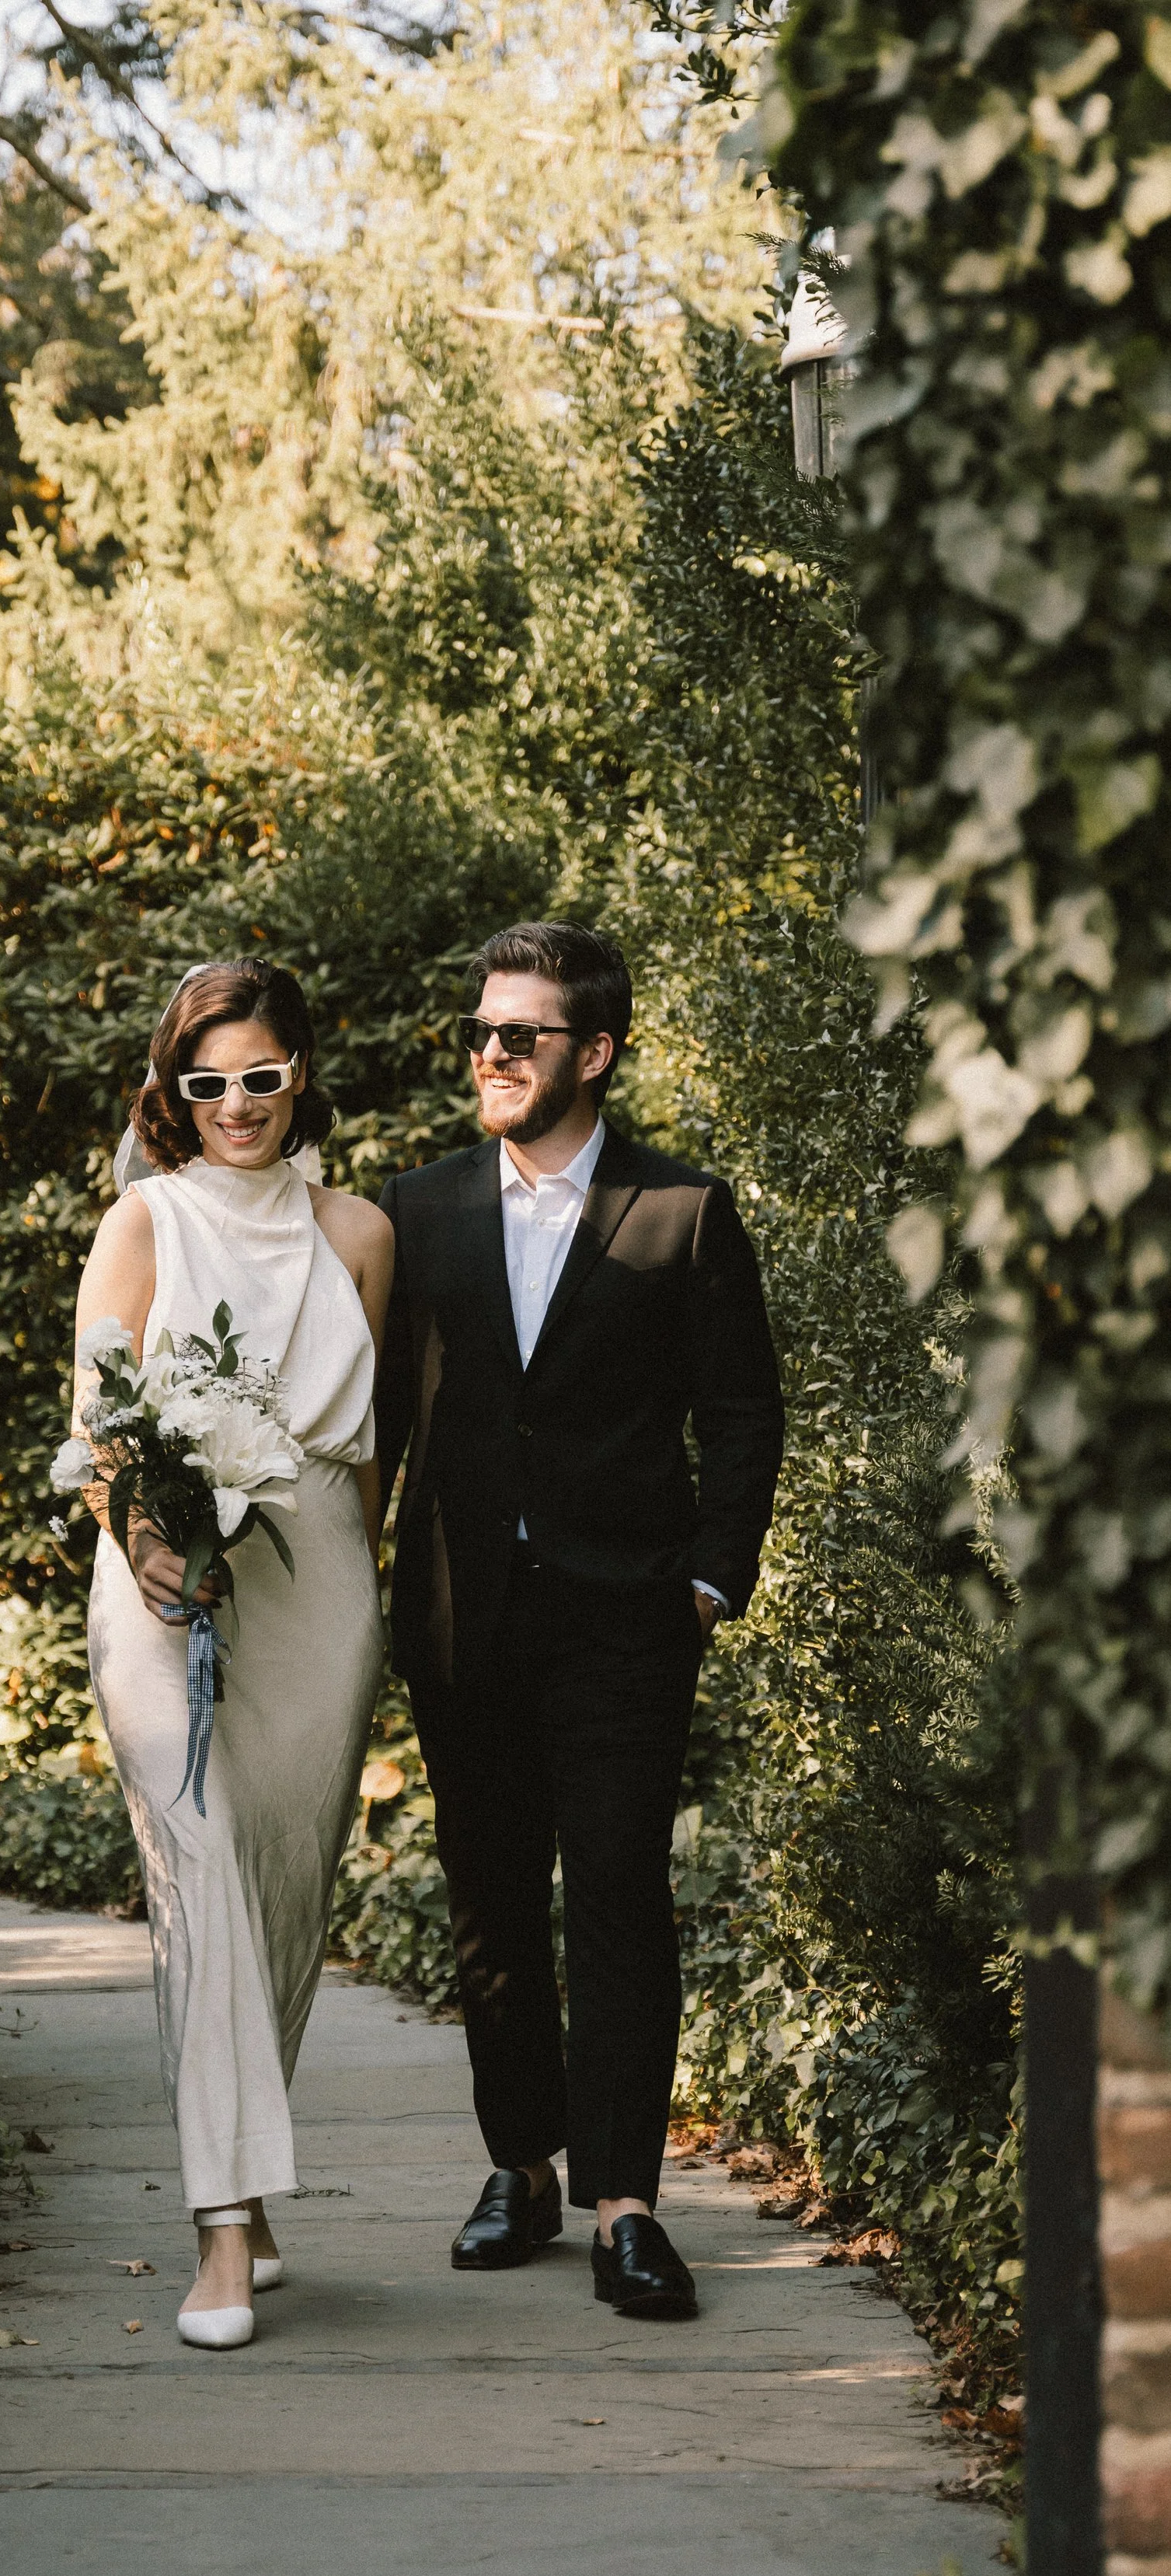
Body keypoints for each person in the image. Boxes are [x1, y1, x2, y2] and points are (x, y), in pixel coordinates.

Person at [375, 922, 783, 2320]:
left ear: (591, 1053)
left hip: (627, 1617)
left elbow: (740, 1414)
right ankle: (523, 2170)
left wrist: (710, 1576)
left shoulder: (682, 1211)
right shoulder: (414, 1211)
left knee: (617, 1894)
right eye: (480, 1031)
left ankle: (626, 2205)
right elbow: (366, 1418)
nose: (488, 1055)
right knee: (490, 1900)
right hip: (461, 1613)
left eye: (519, 1035)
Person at [62, 961, 392, 2349]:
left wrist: (371, 1598)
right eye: (208, 1083)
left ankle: (248, 2192)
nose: (236, 1105)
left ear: (300, 1075)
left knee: (282, 1890)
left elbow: (376, 1455)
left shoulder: (362, 1233)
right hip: (164, 1577)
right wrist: (144, 1545)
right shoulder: (145, 1219)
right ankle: (218, 2233)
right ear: (175, 1092)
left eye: (261, 1077)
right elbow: (96, 1424)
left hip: (317, 1578)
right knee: (199, 1872)